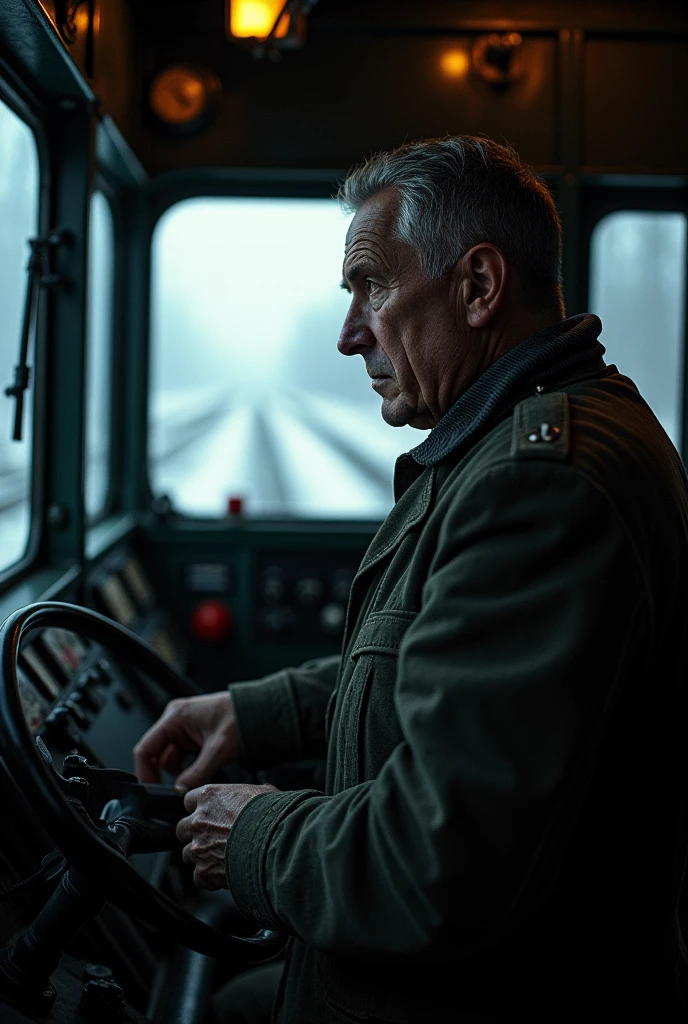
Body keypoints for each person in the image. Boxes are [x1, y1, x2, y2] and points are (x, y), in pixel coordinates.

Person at [134, 136, 688, 1023]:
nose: (350, 335)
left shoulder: (539, 484)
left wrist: (254, 835)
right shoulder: (523, 443)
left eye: (372, 287)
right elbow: (434, 662)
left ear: (477, 287)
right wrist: (255, 712)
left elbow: (440, 862)